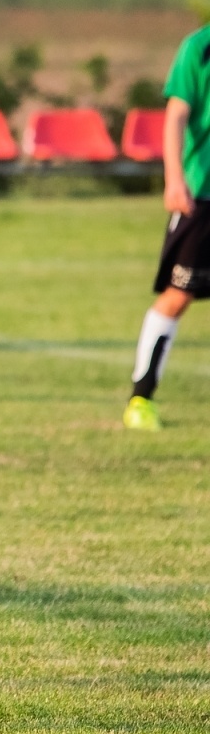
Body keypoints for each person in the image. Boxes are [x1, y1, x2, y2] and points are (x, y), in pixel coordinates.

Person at [124, 24, 210, 430]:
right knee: (178, 296)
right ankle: (141, 398)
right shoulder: (200, 47)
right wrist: (175, 178)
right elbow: (176, 115)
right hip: (203, 194)